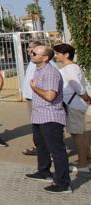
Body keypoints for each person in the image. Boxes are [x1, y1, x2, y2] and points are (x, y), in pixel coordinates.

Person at [25, 46, 72, 194]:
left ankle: (63, 183)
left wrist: (34, 88)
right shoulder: (39, 70)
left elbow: (50, 96)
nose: (31, 54)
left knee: (57, 150)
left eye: (34, 53)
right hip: (39, 116)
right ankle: (44, 172)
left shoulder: (51, 72)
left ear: (45, 58)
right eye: (31, 52)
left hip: (50, 116)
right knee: (41, 146)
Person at [53, 43, 91, 173]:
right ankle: (86, 158)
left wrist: (86, 98)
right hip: (77, 103)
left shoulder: (69, 69)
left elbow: (78, 87)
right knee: (82, 132)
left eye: (58, 53)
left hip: (73, 104)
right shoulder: (74, 67)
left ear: (66, 54)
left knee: (77, 134)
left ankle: (83, 163)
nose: (56, 56)